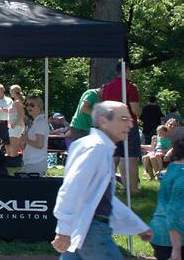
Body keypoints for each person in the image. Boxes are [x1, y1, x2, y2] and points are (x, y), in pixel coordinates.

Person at [52, 101, 152, 259]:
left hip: (85, 229)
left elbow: (102, 197)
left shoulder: (96, 146)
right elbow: (72, 187)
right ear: (104, 121)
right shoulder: (96, 148)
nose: (130, 124)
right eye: (124, 119)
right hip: (92, 231)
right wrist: (63, 230)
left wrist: (137, 225)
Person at [101, 62, 142, 195]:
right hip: (127, 125)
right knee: (131, 157)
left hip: (111, 126)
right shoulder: (130, 87)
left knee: (113, 157)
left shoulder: (107, 87)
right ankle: (133, 189)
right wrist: (140, 111)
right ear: (127, 70)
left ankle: (108, 188)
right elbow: (135, 110)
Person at [148, 127, 183, 260]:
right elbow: (174, 213)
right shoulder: (182, 175)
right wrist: (176, 250)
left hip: (159, 232)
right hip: (172, 239)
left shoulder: (172, 168)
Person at [20, 95, 48, 176]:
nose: (28, 107)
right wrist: (23, 141)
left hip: (35, 164)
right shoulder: (34, 123)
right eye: (27, 104)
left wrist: (26, 140)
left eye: (32, 105)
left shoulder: (40, 122)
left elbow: (39, 144)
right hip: (30, 163)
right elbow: (24, 146)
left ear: (39, 106)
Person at [7, 85, 26, 158]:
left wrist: (14, 124)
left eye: (11, 90)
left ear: (15, 92)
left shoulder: (17, 102)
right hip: (15, 127)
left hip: (16, 127)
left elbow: (22, 115)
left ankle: (14, 162)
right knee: (18, 147)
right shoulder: (15, 101)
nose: (10, 92)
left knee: (14, 148)